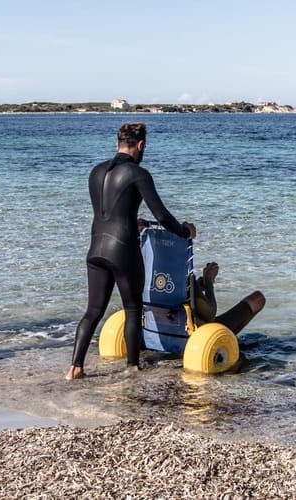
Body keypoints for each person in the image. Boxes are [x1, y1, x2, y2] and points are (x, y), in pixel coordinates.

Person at [66, 123, 197, 380]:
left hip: (96, 249)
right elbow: (162, 215)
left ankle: (75, 368)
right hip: (123, 249)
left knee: (93, 311)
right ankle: (132, 367)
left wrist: (135, 221)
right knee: (133, 308)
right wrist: (184, 231)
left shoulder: (96, 172)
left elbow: (109, 212)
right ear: (140, 146)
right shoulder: (138, 173)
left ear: (117, 143)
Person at [189, 261, 265, 336]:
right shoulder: (186, 274)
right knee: (258, 299)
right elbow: (210, 314)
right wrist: (209, 282)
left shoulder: (178, 274)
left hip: (185, 326)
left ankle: (229, 338)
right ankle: (226, 340)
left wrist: (197, 288)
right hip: (203, 332)